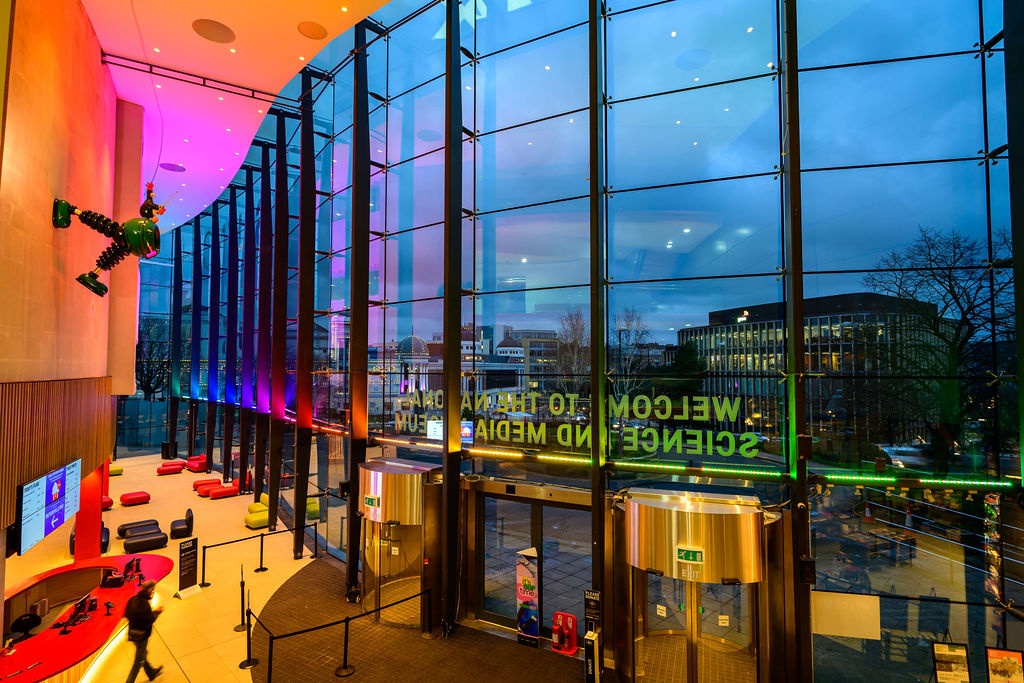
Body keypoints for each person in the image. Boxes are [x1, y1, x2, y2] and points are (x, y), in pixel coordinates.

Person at [124, 580, 164, 682]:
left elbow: (126, 614)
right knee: (138, 661)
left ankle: (151, 673)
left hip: (132, 634)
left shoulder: (132, 599)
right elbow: (150, 620)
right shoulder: (145, 605)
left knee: (141, 654)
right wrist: (157, 612)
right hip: (142, 636)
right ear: (149, 591)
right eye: (152, 591)